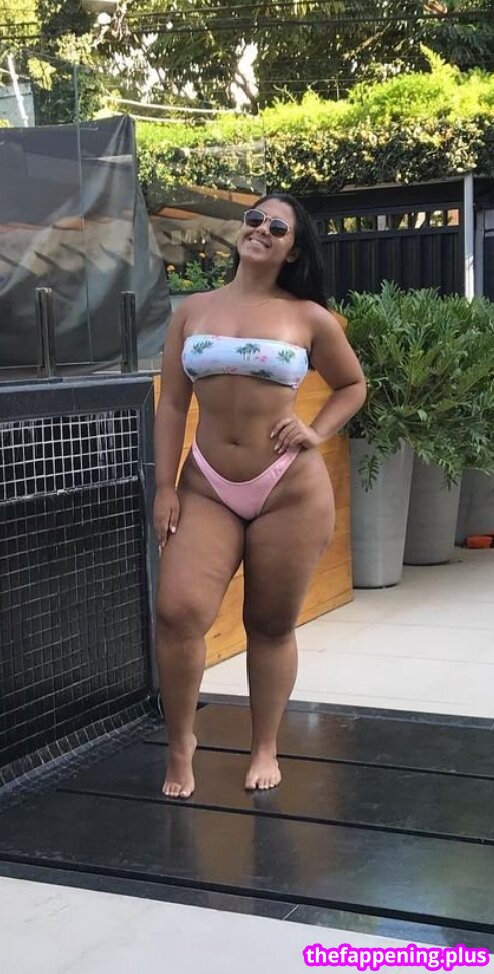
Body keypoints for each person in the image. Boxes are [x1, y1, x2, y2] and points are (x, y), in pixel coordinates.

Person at [153, 193, 366, 799]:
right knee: (177, 611)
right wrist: (164, 488)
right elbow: (172, 405)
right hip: (207, 485)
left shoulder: (309, 317)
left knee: (269, 623)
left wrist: (316, 431)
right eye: (255, 219)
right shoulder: (193, 310)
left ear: (292, 249)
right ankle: (181, 743)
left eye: (278, 227)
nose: (262, 230)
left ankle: (265, 746)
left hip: (288, 489)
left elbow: (352, 385)